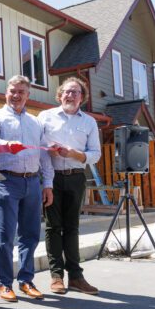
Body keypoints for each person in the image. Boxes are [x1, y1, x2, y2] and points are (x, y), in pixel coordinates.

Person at [0, 75, 54, 302]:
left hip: (32, 182)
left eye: (21, 92)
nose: (17, 95)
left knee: (31, 234)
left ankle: (26, 280)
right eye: (13, 91)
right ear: (6, 92)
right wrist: (6, 145)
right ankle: (4, 283)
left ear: (28, 95)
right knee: (5, 236)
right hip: (4, 180)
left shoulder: (35, 123)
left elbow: (43, 154)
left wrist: (48, 184)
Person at [39, 77, 101, 294]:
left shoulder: (89, 122)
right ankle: (56, 276)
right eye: (66, 91)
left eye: (75, 92)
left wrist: (74, 153)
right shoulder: (45, 117)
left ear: (81, 98)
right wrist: (49, 149)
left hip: (76, 177)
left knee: (72, 228)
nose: (70, 95)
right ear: (60, 95)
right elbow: (38, 147)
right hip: (51, 177)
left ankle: (76, 276)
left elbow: (96, 154)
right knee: (53, 227)